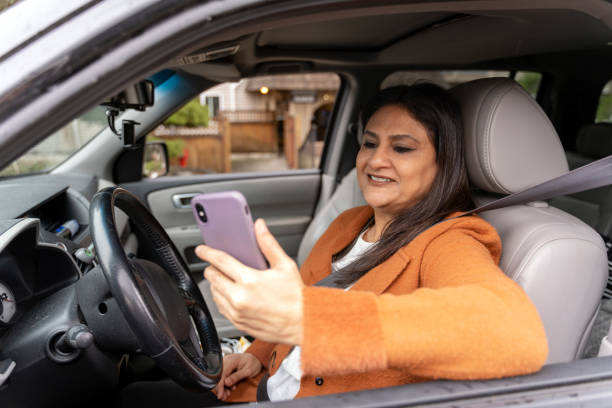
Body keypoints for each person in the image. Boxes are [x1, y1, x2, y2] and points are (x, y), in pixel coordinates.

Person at [195, 83, 549, 403]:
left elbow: (509, 333)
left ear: (444, 163)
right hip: (260, 386)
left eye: (402, 148)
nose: (375, 160)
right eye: (369, 143)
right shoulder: (348, 223)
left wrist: (309, 319)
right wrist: (255, 356)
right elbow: (295, 311)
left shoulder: (451, 239)